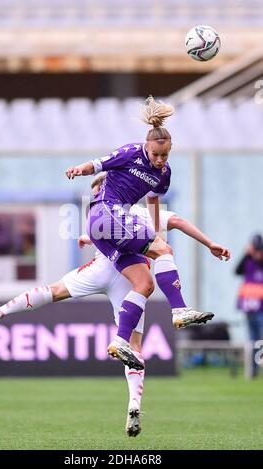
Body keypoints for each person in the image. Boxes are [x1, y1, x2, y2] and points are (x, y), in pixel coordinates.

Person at [0, 173, 229, 437]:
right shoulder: (139, 213)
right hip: (129, 277)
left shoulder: (102, 214)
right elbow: (177, 221)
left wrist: (86, 237)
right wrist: (209, 243)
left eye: (99, 189)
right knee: (135, 343)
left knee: (55, 290)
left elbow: (96, 232)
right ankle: (134, 404)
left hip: (103, 269)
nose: (98, 194)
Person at [65, 96, 231, 370]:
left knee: (144, 282)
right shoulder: (131, 152)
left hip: (103, 227)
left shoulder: (163, 173)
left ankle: (120, 341)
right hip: (104, 211)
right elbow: (97, 165)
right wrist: (78, 169)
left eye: (165, 155)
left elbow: (154, 201)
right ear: (146, 146)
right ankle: (180, 310)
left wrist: (156, 233)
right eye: (155, 154)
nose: (159, 159)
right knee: (164, 251)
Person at [236, 234, 263, 377]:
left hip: (261, 308)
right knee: (253, 341)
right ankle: (253, 370)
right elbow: (237, 271)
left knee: (261, 339)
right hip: (249, 308)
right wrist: (246, 255)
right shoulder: (248, 261)